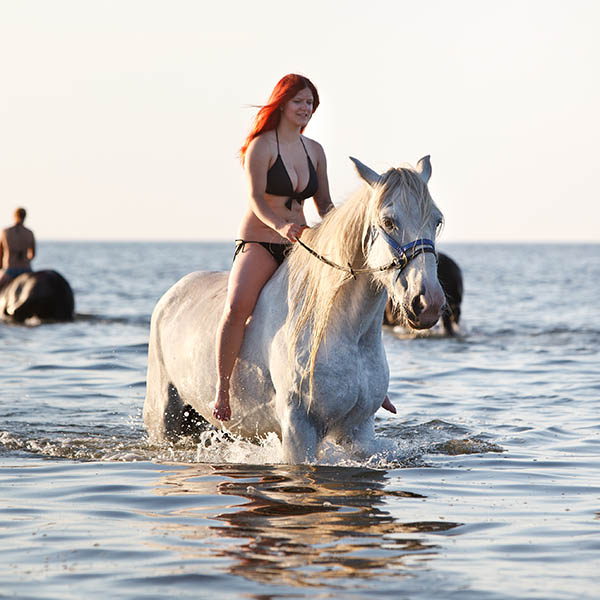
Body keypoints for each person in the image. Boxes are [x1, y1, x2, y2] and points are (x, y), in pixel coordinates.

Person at [212, 73, 396, 421]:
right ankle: (222, 391)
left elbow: (324, 205)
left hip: (303, 245)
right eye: (299, 101)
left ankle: (372, 385)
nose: (305, 109)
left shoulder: (315, 151)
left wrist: (342, 236)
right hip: (262, 240)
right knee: (237, 306)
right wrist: (280, 224)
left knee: (350, 305)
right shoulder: (261, 146)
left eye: (310, 104)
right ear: (282, 103)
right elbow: (255, 199)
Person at [0, 207, 36, 290]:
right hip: (26, 269)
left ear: (14, 216)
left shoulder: (6, 232)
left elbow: (0, 253)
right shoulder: (29, 233)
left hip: (10, 269)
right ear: (25, 217)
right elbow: (32, 254)